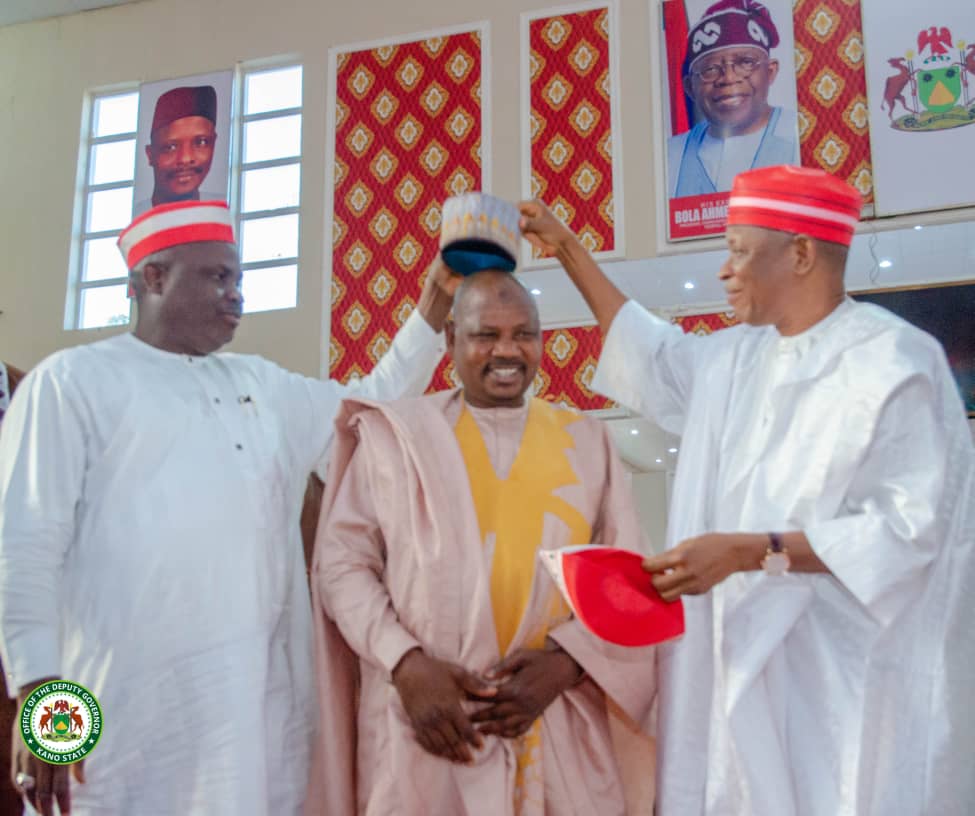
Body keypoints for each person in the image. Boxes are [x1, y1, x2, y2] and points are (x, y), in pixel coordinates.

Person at [519, 165, 975, 815]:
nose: (723, 271)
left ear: (798, 253)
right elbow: (643, 348)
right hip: (721, 666)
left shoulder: (894, 363)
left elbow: (911, 531)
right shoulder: (729, 359)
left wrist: (750, 551)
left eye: (737, 250)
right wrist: (566, 247)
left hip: (833, 678)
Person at [0, 200, 461, 815]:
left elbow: (369, 408)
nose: (237, 295)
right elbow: (24, 547)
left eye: (239, 279)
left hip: (256, 721)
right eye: (218, 277)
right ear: (155, 279)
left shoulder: (260, 384)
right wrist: (40, 706)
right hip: (123, 716)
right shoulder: (72, 383)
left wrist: (433, 306)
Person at [308, 269, 657, 815]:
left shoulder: (588, 440)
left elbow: (625, 576)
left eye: (524, 334)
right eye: (486, 334)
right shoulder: (393, 439)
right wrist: (406, 664)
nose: (508, 351)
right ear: (450, 341)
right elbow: (342, 566)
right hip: (423, 721)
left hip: (550, 719)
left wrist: (566, 665)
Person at [667, 0, 799, 198]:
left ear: (770, 72)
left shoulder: (802, 134)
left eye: (745, 62)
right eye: (710, 69)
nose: (728, 78)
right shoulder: (668, 156)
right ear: (689, 88)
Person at [134, 85, 224, 215]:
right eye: (170, 147)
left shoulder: (220, 213)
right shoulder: (137, 224)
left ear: (214, 144)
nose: (186, 158)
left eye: (201, 142)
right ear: (150, 155)